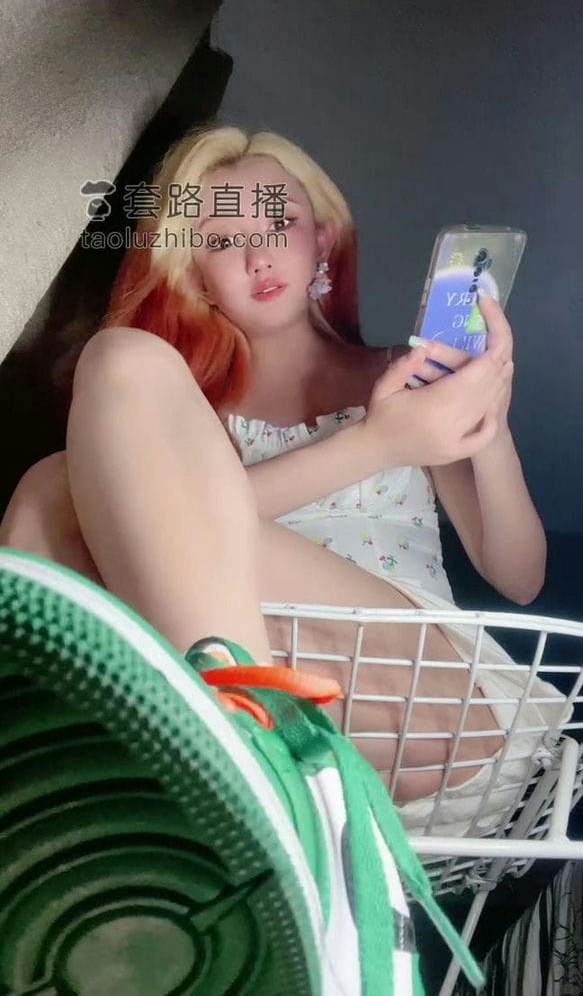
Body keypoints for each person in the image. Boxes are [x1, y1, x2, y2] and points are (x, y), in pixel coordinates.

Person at [0, 125, 567, 834]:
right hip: (288, 724)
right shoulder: (181, 423)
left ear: (322, 240)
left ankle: (223, 762)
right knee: (59, 476)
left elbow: (519, 577)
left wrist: (489, 419)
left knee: (113, 389)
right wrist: (377, 444)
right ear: (194, 274)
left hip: (432, 711)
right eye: (220, 239)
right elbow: (191, 526)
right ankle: (149, 787)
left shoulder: (406, 377)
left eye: (277, 222)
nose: (258, 255)